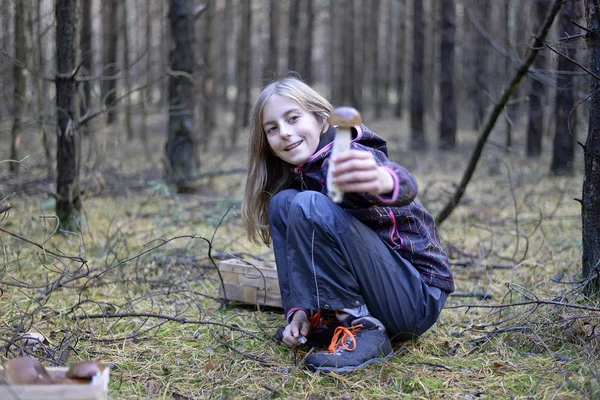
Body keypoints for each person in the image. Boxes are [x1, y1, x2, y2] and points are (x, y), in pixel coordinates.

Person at [241, 76, 454, 374]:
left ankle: (363, 328)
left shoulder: (344, 156)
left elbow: (403, 183)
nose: (285, 134)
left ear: (320, 118)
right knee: (284, 203)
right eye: (273, 128)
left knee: (307, 204)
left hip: (415, 298)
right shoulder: (304, 174)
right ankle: (325, 318)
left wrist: (382, 180)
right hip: (383, 294)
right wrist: (300, 310)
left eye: (293, 119)